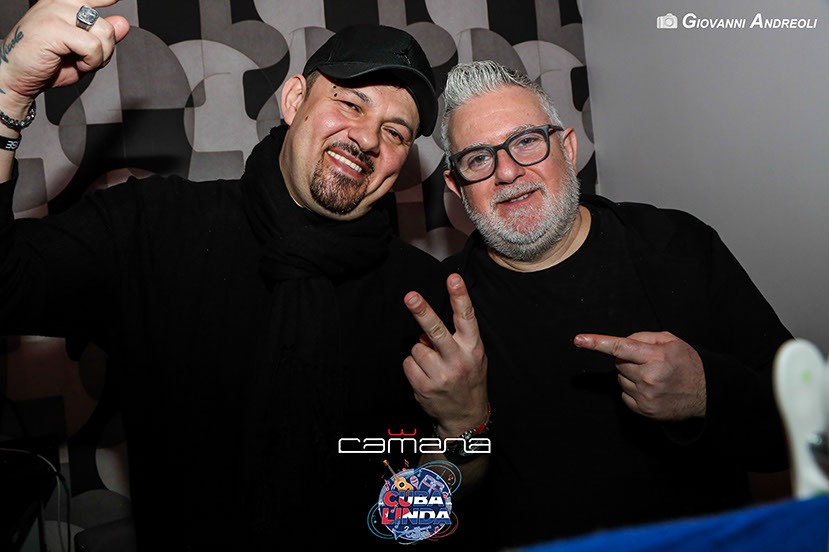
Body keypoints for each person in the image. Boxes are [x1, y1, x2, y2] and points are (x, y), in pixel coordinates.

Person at [0, 1, 488, 549]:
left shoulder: (422, 297)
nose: (368, 139)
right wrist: (7, 95)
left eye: (395, 132)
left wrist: (465, 428)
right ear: (294, 99)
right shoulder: (155, 227)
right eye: (351, 103)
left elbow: (429, 516)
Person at [431, 59, 792, 550]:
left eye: (527, 141)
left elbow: (797, 431)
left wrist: (707, 391)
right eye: (478, 158)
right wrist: (460, 426)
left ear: (568, 148)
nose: (508, 171)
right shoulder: (439, 308)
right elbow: (415, 516)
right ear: (457, 187)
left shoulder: (678, 246)